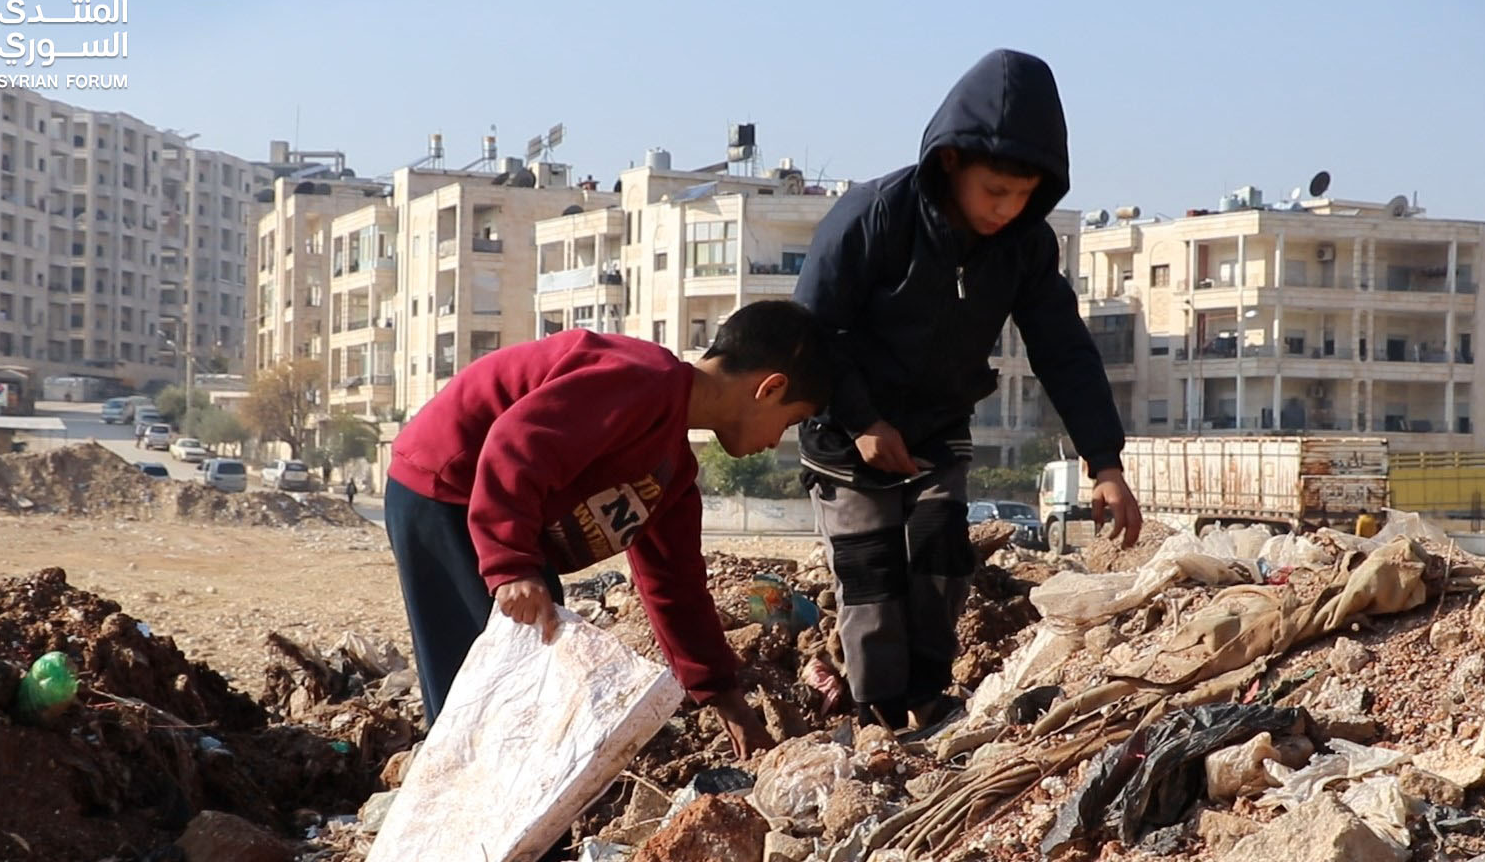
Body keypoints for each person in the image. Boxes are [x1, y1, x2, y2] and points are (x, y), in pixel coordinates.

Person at [794, 48, 1144, 731]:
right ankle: (875, 717)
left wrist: (1104, 461)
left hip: (935, 425)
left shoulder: (1025, 246)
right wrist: (862, 419)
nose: (1006, 210)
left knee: (938, 556)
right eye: (994, 192)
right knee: (870, 573)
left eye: (1022, 196)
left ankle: (926, 700)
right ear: (951, 161)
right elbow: (810, 333)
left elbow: (1063, 350)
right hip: (845, 427)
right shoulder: (871, 217)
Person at [383, 299, 833, 758]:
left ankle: (526, 824)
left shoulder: (671, 472)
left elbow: (674, 587)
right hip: (448, 492)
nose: (776, 441)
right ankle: (463, 818)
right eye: (791, 422)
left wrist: (728, 701)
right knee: (485, 695)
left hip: (504, 524)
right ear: (771, 389)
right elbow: (517, 444)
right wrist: (512, 566)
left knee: (531, 689)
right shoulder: (639, 378)